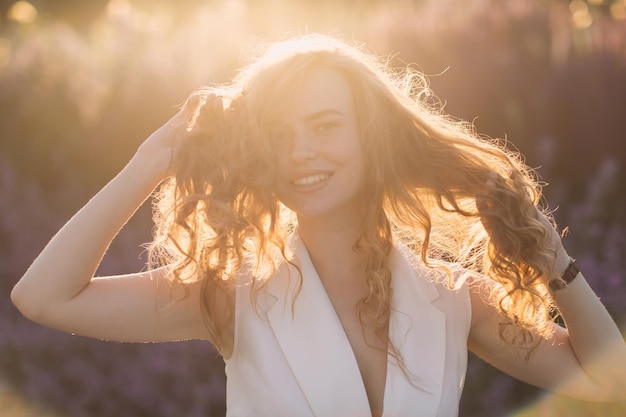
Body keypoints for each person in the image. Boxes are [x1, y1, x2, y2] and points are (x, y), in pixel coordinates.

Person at [11, 34, 626, 417]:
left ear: (372, 137)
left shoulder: (455, 298)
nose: (301, 151)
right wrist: (149, 164)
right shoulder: (232, 292)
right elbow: (43, 297)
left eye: (326, 125)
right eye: (279, 136)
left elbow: (608, 382)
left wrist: (552, 260)